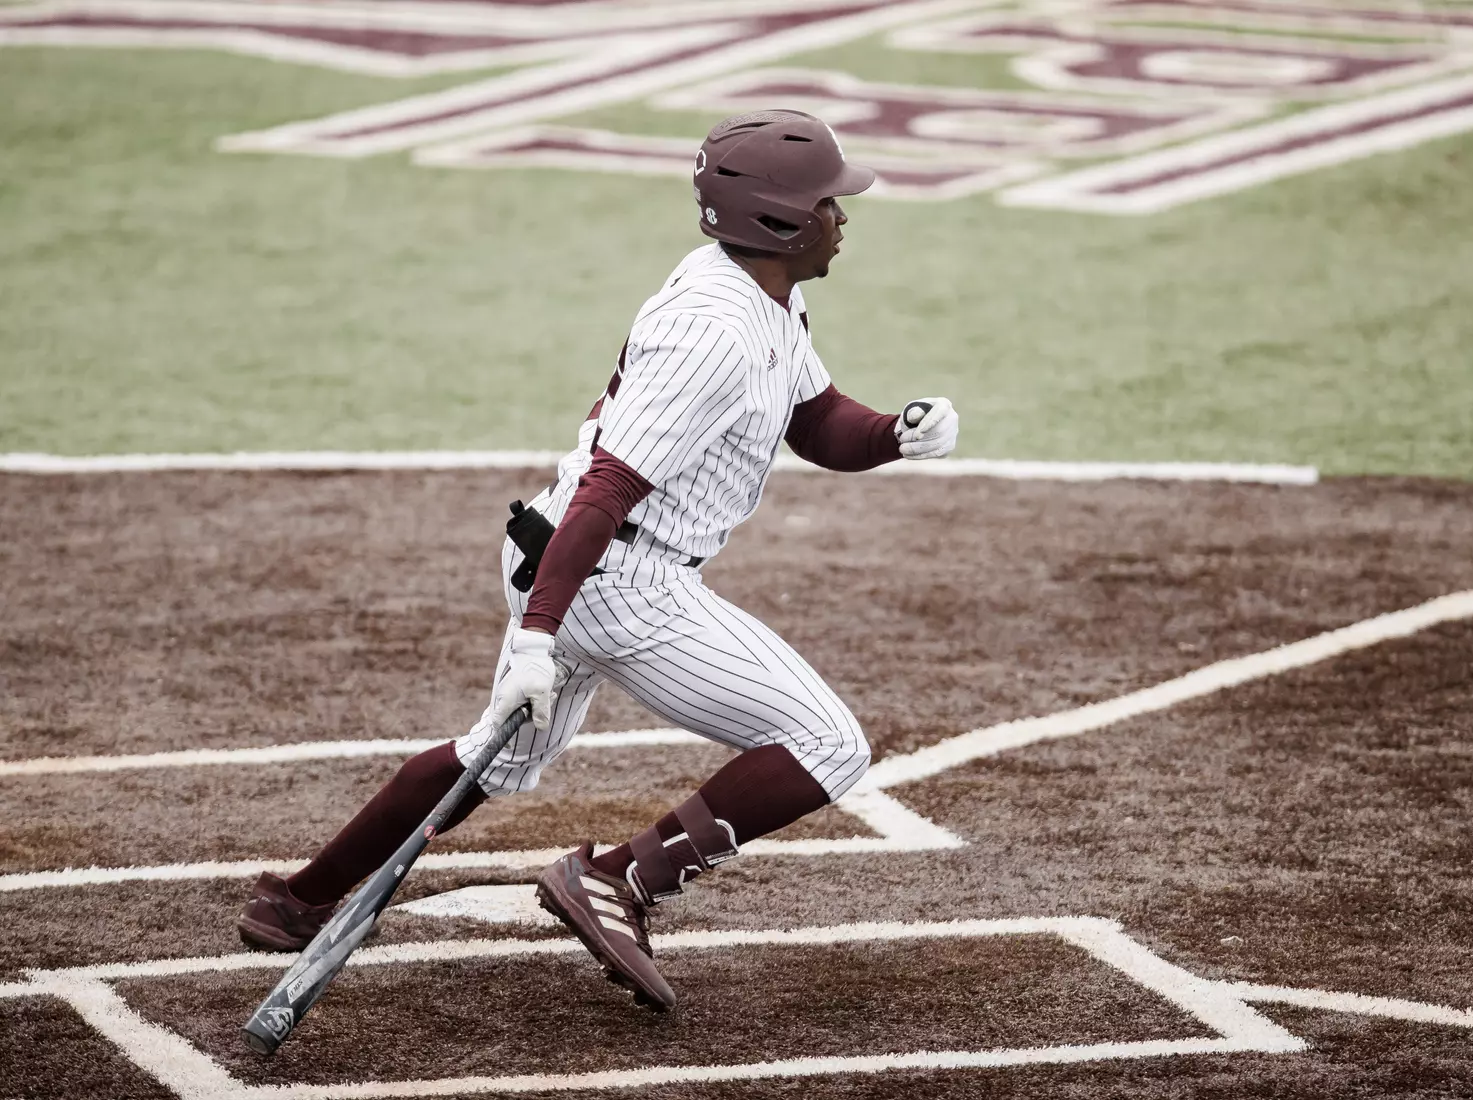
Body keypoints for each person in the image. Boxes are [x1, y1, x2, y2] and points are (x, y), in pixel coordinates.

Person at [236, 109, 961, 1011]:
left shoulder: (759, 293)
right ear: (780, 221)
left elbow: (815, 421)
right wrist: (542, 632)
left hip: (582, 559)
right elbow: (610, 488)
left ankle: (294, 900)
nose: (843, 218)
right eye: (829, 203)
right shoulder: (713, 336)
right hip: (613, 574)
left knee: (489, 759)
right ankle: (620, 880)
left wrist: (895, 435)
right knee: (826, 742)